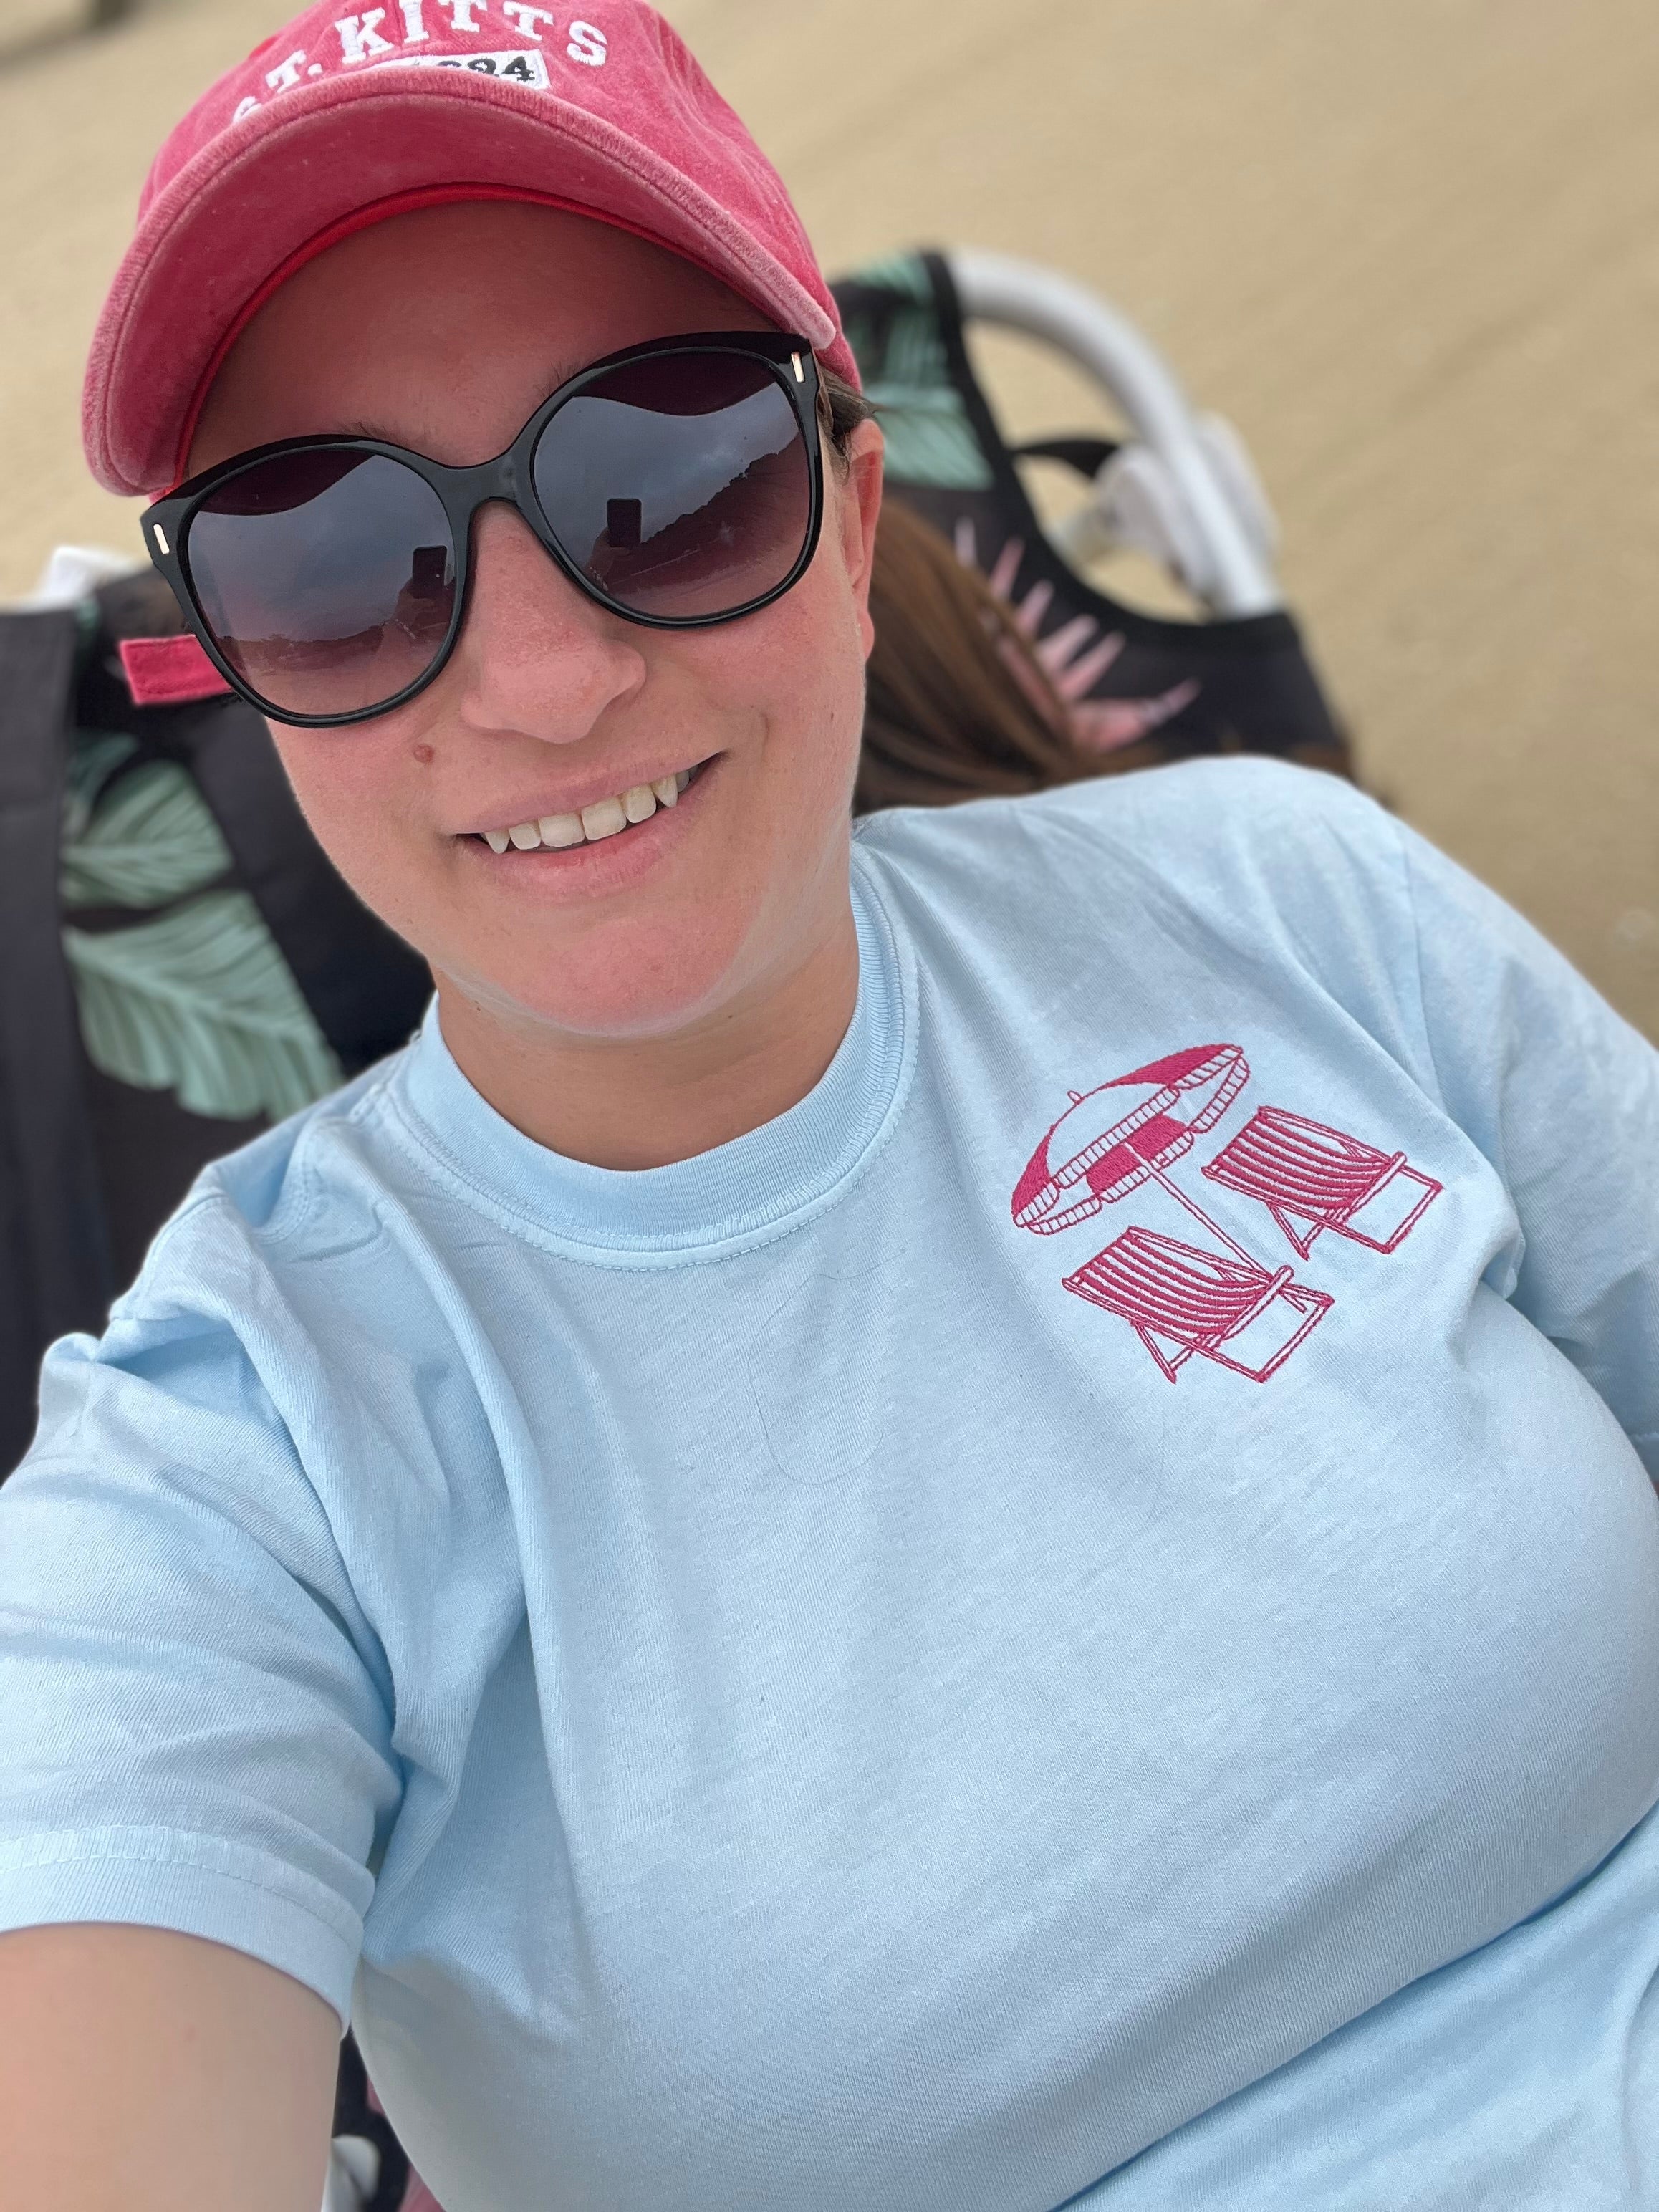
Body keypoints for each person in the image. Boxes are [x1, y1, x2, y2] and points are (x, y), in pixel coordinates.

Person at [2, 5, 1658, 2209]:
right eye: (331, 557)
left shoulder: (1281, 896)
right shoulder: (244, 1458)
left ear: (849, 517)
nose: (541, 678)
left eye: (665, 481)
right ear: (232, 654)